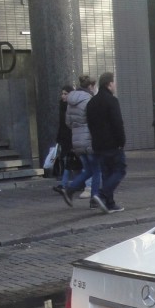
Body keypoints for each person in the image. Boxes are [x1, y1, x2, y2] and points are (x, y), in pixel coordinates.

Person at [85, 70, 126, 212]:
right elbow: (117, 123)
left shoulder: (91, 103)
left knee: (107, 172)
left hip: (98, 145)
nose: (115, 85)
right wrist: (122, 141)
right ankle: (102, 194)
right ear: (109, 84)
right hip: (113, 144)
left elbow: (89, 124)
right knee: (120, 169)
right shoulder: (112, 101)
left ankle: (110, 203)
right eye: (114, 82)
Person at [61, 74, 100, 207]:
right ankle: (94, 198)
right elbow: (94, 120)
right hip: (89, 139)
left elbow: (68, 122)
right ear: (90, 86)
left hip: (76, 140)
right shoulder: (90, 100)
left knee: (88, 170)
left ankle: (70, 190)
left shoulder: (70, 101)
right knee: (96, 169)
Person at [51, 84, 76, 198]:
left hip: (73, 137)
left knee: (72, 162)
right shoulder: (62, 106)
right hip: (65, 138)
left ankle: (65, 184)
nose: (63, 96)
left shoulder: (73, 106)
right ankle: (65, 184)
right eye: (62, 94)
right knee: (69, 161)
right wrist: (59, 138)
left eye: (65, 93)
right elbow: (62, 125)